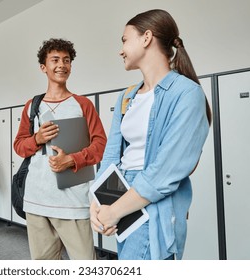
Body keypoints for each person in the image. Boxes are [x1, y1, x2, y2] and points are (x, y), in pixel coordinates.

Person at [90, 9, 211, 260]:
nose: (120, 49)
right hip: (120, 194)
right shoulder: (126, 97)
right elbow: (112, 155)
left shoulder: (187, 94)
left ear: (146, 38)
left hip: (152, 203)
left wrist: (114, 211)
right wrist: (98, 203)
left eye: (124, 40)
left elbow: (164, 172)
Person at [13, 38, 107, 260]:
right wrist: (36, 138)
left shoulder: (83, 104)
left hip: (73, 203)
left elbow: (100, 145)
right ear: (43, 67)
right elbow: (19, 146)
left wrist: (72, 160)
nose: (62, 65)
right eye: (55, 60)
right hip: (36, 201)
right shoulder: (32, 105)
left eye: (66, 60)